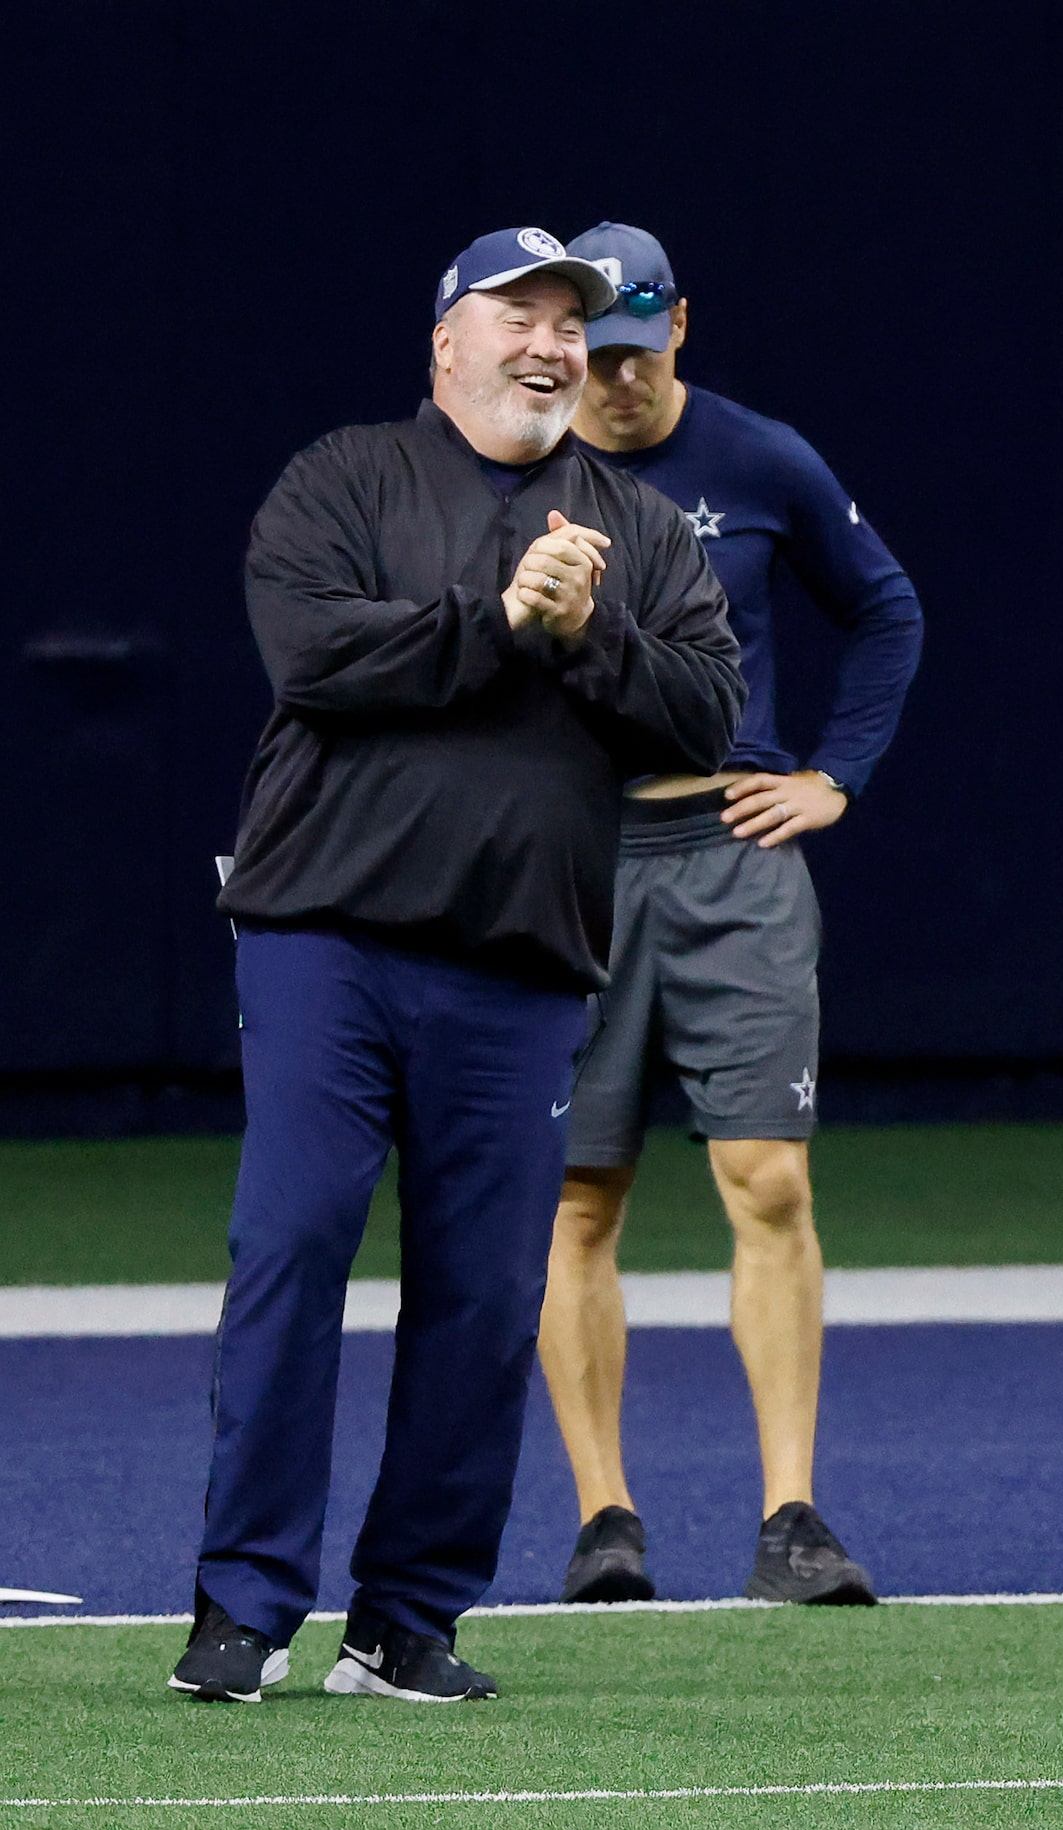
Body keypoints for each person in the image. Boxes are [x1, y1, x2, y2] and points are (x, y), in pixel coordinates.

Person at [174, 229, 741, 1703]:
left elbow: (701, 715)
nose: (552, 343)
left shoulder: (642, 529)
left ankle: (404, 1619)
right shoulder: (343, 478)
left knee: (488, 1296)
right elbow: (317, 658)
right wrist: (501, 624)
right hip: (328, 941)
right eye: (521, 316)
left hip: (521, 965)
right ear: (447, 340)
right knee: (290, 1250)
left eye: (576, 322)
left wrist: (587, 629)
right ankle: (242, 1606)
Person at [535, 221, 927, 1607]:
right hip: (574, 855)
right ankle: (603, 1517)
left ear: (680, 330)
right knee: (579, 1190)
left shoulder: (759, 460)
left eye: (643, 353)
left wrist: (835, 776)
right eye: (600, 355)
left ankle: (792, 1515)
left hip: (731, 848)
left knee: (768, 1174)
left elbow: (887, 610)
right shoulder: (510, 463)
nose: (621, 382)